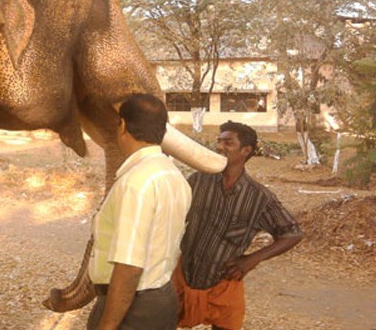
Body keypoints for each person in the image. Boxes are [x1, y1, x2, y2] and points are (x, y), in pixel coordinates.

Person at [173, 121, 304, 330]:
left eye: (228, 143)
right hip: (183, 277)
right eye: (218, 141)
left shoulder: (259, 198)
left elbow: (293, 233)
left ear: (246, 150)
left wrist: (252, 259)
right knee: (159, 320)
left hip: (224, 285)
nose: (219, 147)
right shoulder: (198, 181)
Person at [87, 94, 192, 330]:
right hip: (162, 299)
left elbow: (129, 267)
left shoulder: (136, 183)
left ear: (122, 126)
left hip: (133, 309)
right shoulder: (175, 177)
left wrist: (107, 326)